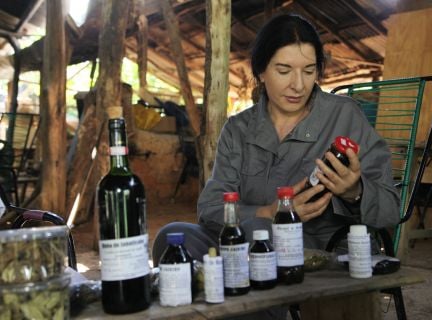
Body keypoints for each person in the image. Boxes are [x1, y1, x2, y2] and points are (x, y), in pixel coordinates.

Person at [152, 13, 400, 318]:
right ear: (261, 71)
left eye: (309, 71)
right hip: (249, 244)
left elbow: (391, 208)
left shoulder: (345, 117)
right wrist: (267, 213)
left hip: (321, 254)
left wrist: (355, 192)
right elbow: (210, 209)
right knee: (174, 237)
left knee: (257, 253)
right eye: (284, 70)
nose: (298, 85)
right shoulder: (239, 130)